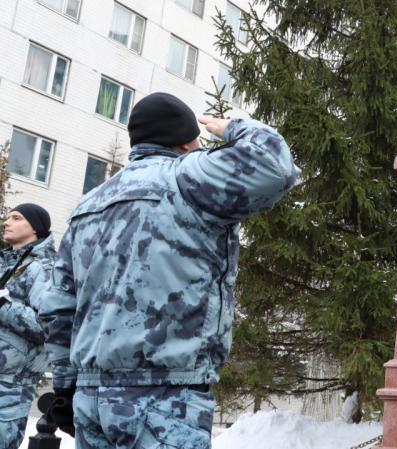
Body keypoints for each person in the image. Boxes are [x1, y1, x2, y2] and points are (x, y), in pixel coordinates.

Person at [39, 92, 300, 448]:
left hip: (91, 400)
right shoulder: (188, 177)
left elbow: (58, 306)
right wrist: (232, 127)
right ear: (186, 141)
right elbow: (274, 165)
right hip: (163, 398)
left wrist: (66, 386)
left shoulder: (88, 205)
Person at [0, 203, 56, 449]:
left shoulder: (44, 268)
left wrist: (3, 304)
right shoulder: (7, 263)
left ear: (35, 227)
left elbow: (48, 327)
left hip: (11, 385)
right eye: (7, 217)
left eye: (16, 217)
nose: (6, 222)